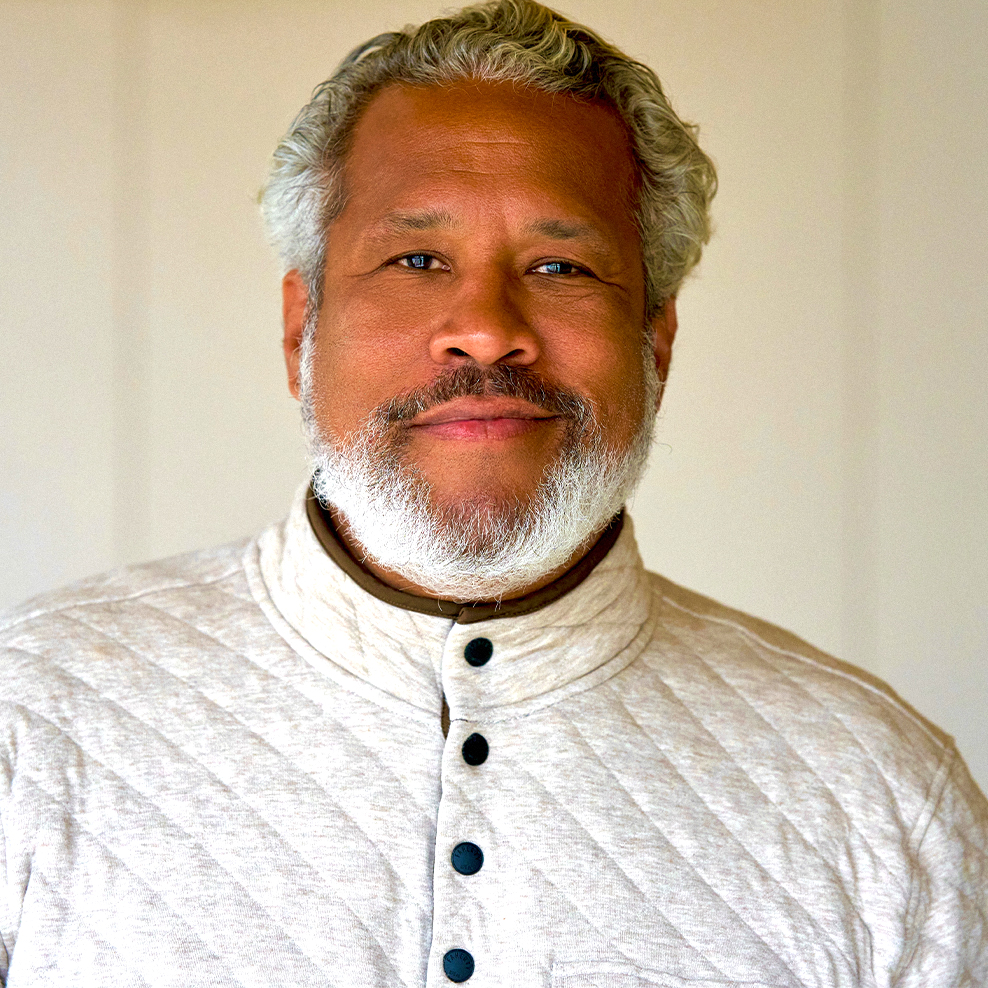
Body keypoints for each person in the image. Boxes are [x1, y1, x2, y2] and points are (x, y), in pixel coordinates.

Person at [1, 1, 985, 985]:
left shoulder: (877, 797)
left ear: (655, 341)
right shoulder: (35, 719)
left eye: (561, 266)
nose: (483, 329)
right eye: (417, 260)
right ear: (301, 326)